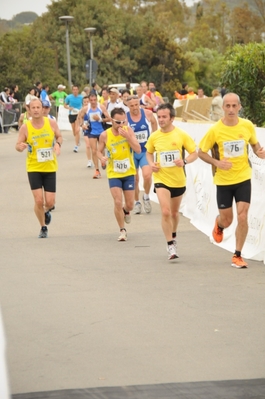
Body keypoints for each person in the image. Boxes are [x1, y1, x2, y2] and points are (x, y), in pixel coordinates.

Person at [198, 92, 265, 268]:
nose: (231, 109)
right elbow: (201, 152)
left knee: (243, 216)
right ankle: (219, 224)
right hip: (223, 180)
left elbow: (254, 144)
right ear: (223, 108)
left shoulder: (247, 125)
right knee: (227, 220)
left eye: (234, 106)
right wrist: (217, 162)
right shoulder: (215, 130)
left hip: (243, 177)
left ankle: (237, 255)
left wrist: (260, 151)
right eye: (227, 106)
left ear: (239, 107)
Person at [145, 103, 198, 260]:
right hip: (161, 178)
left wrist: (184, 161)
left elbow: (194, 153)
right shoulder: (154, 136)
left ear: (172, 118)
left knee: (174, 213)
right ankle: (170, 245)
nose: (160, 120)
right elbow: (148, 153)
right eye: (158, 117)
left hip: (178, 180)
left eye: (164, 117)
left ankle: (173, 235)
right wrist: (151, 163)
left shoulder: (181, 135)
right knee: (166, 211)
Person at [15, 98, 62, 238]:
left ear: (43, 109)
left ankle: (46, 211)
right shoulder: (26, 127)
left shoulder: (51, 123)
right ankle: (43, 226)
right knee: (39, 201)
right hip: (33, 167)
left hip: (49, 167)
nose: (35, 110)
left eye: (38, 107)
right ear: (29, 110)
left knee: (50, 202)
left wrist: (58, 145)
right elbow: (17, 145)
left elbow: (59, 136)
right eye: (33, 107)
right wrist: (20, 147)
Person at [97, 108, 141, 241]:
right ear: (111, 120)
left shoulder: (128, 131)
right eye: (117, 122)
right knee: (117, 201)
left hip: (128, 172)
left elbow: (138, 149)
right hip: (113, 172)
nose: (121, 125)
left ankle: (126, 211)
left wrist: (127, 137)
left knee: (130, 204)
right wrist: (101, 158)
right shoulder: (105, 135)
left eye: (123, 121)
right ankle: (122, 230)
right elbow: (98, 151)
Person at [126, 95, 158, 214]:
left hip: (145, 151)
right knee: (134, 178)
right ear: (128, 106)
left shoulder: (147, 114)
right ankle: (137, 201)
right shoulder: (125, 117)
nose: (134, 108)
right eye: (132, 106)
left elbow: (154, 122)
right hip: (132, 152)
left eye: (136, 105)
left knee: (147, 175)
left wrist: (154, 137)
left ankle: (146, 196)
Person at [79, 92, 110, 178]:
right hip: (91, 131)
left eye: (94, 100)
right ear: (89, 100)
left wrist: (100, 119)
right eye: (91, 100)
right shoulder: (86, 108)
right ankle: (97, 170)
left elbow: (109, 118)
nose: (93, 102)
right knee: (94, 150)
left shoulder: (101, 107)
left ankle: (102, 160)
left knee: (101, 150)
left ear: (97, 99)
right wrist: (82, 125)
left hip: (101, 132)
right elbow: (80, 117)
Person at [64, 85, 83, 152]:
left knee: (77, 130)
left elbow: (84, 104)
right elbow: (65, 105)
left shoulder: (81, 97)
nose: (75, 91)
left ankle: (76, 146)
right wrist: (69, 108)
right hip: (71, 114)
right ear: (72, 90)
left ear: (78, 90)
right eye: (74, 89)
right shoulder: (69, 97)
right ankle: (78, 140)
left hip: (78, 114)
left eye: (76, 89)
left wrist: (82, 110)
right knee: (74, 132)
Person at [77, 96, 93, 168]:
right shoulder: (81, 110)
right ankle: (89, 161)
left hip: (93, 128)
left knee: (94, 146)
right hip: (85, 128)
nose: (86, 103)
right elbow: (79, 118)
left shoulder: (93, 109)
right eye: (84, 102)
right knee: (88, 145)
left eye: (87, 101)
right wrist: (80, 125)